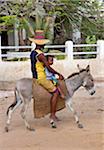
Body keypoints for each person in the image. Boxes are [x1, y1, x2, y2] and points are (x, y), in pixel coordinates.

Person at [29, 30, 64, 121]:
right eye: (44, 44)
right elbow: (48, 68)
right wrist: (58, 74)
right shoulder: (41, 55)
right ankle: (52, 115)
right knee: (56, 92)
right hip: (41, 77)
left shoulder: (33, 53)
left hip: (35, 76)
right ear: (41, 45)